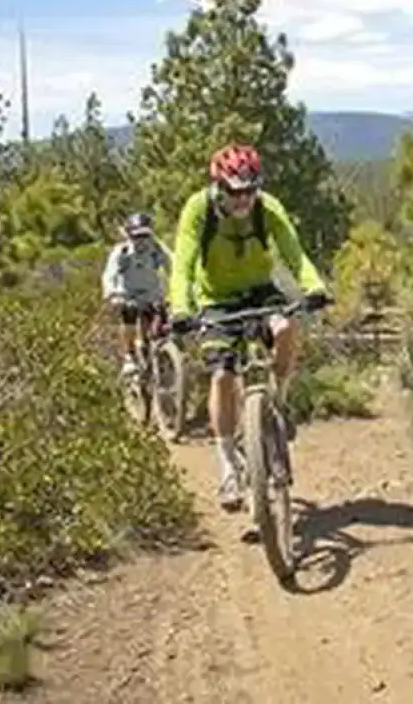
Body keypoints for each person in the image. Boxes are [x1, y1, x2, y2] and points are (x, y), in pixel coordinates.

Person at [165, 143, 331, 515]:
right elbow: (183, 265)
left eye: (250, 190)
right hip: (216, 300)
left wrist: (313, 286)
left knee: (286, 326)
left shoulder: (267, 207)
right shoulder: (198, 210)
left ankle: (280, 400)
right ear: (218, 187)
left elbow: (294, 252)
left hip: (260, 291)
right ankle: (227, 462)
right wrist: (180, 308)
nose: (243, 199)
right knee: (222, 375)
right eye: (235, 191)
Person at [100, 212, 172, 379]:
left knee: (161, 327)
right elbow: (109, 274)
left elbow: (172, 267)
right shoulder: (122, 251)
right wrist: (112, 294)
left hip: (152, 294)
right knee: (129, 315)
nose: (141, 240)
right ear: (129, 235)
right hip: (128, 295)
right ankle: (129, 356)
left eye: (145, 235)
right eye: (137, 236)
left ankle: (165, 360)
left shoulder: (156, 248)